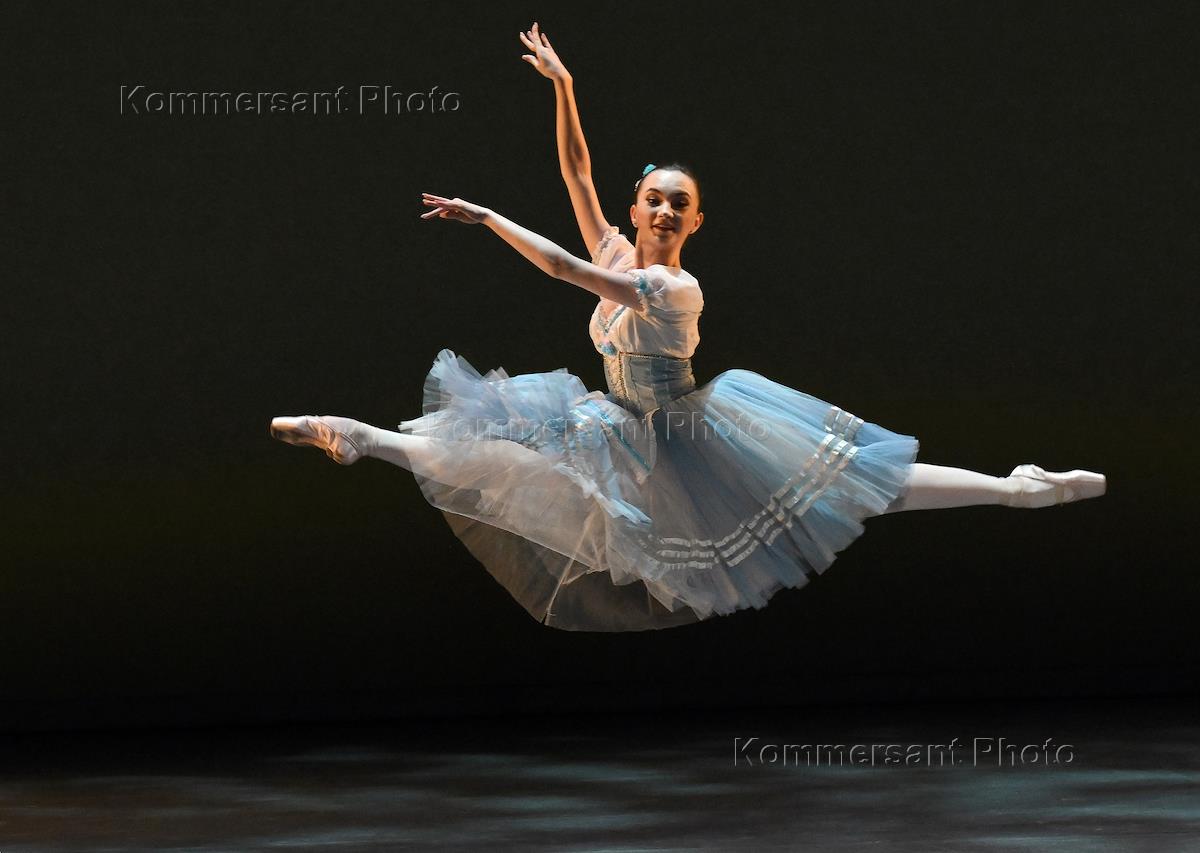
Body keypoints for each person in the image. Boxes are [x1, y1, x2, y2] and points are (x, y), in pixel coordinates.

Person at [270, 23, 1105, 631]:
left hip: (689, 437)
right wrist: (564, 87)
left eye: (680, 205)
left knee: (862, 485)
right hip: (617, 428)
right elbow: (577, 174)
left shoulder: (672, 287)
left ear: (695, 222)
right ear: (637, 209)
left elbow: (562, 269)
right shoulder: (614, 244)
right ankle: (362, 437)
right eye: (654, 200)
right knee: (487, 447)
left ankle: (1017, 487)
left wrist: (487, 216)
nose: (665, 211)